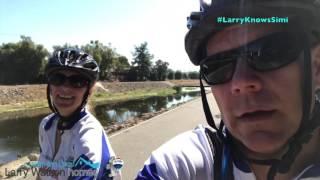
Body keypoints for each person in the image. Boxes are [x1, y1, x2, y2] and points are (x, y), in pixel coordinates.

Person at [136, 0, 320, 179]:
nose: (241, 83)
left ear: (317, 66)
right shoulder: (178, 167)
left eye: (270, 53)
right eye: (218, 67)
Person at [37, 48, 122, 180]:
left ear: (89, 91)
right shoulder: (46, 125)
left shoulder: (88, 136)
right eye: (57, 79)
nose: (65, 88)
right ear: (50, 85)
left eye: (77, 81)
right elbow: (41, 173)